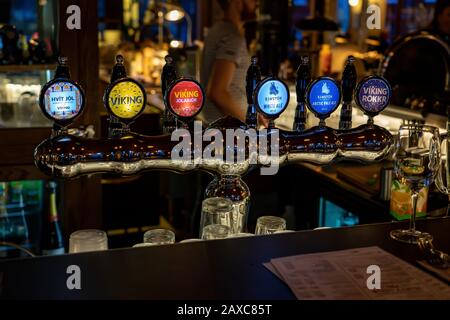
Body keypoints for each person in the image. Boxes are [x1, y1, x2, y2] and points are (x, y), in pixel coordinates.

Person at [200, 0, 267, 126]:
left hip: (217, 127)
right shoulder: (232, 37)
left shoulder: (216, 30)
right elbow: (217, 92)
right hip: (230, 133)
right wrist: (249, 124)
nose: (257, 3)